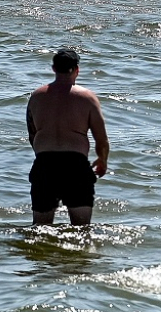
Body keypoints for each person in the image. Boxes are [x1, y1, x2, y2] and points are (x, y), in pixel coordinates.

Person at [25, 48, 109, 226]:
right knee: (82, 229)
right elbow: (101, 139)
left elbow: (32, 135)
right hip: (75, 166)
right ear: (77, 69)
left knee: (40, 228)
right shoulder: (87, 98)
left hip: (45, 164)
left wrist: (46, 159)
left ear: (53, 68)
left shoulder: (36, 97)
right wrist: (102, 160)